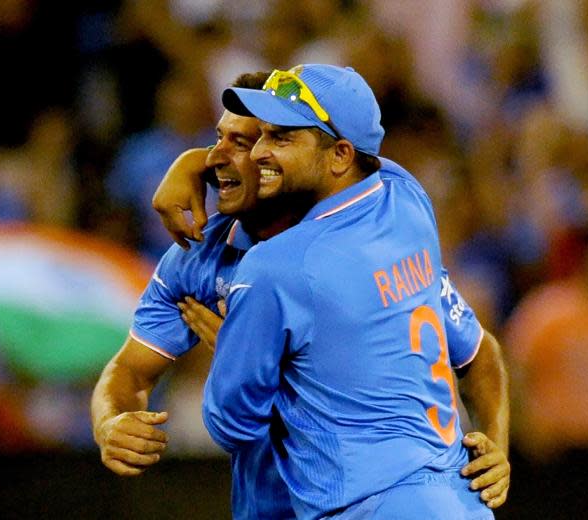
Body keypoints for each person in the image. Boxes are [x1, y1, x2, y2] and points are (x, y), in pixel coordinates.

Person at [197, 64, 508, 519]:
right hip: (458, 503)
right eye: (260, 135)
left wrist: (239, 344)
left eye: (281, 138)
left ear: (340, 154)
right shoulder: (407, 200)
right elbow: (483, 355)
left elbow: (229, 424)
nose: (259, 153)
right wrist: (497, 452)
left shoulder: (275, 267)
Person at [91, 72, 300, 519]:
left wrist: (248, 355)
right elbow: (128, 370)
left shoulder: (350, 240)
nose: (215, 157)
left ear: (280, 155)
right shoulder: (197, 255)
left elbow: (471, 353)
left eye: (239, 143)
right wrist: (112, 419)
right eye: (216, 139)